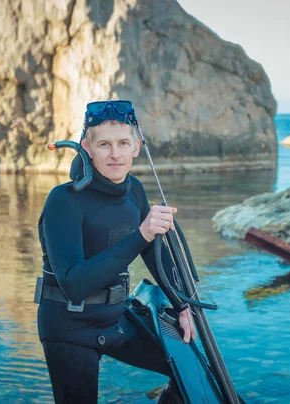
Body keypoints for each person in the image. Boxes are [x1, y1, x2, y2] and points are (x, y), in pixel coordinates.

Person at [36, 100, 196, 403]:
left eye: (123, 143)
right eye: (105, 144)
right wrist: (142, 234)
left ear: (136, 146)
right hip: (69, 325)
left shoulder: (135, 189)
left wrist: (184, 305)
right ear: (87, 147)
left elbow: (154, 254)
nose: (115, 154)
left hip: (114, 319)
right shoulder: (63, 201)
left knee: (189, 373)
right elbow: (73, 284)